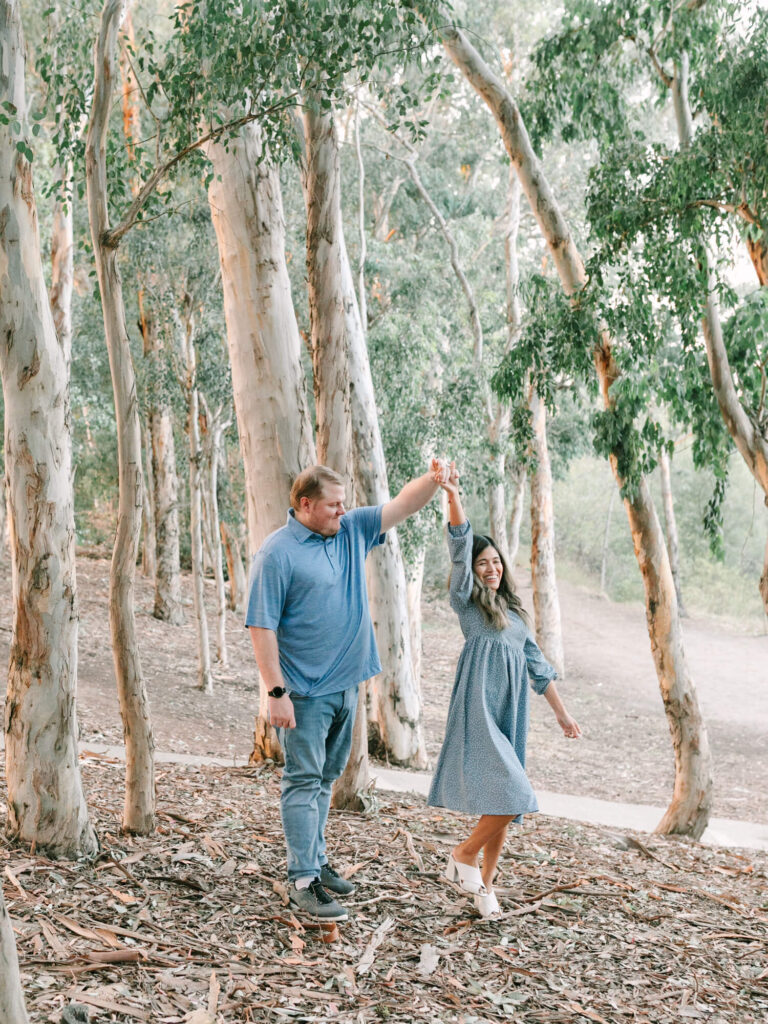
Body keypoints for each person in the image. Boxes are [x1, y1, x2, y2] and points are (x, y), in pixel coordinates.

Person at [246, 460, 450, 921]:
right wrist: (275, 692)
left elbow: (402, 505)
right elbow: (262, 626)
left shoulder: (351, 529)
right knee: (302, 780)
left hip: (346, 687)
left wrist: (434, 481)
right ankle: (301, 880)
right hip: (303, 692)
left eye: (344, 503)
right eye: (334, 505)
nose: (344, 510)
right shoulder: (277, 553)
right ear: (305, 504)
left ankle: (315, 862)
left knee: (324, 781)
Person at [428, 462, 581, 917]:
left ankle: (484, 888)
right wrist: (452, 493)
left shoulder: (516, 617)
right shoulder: (468, 606)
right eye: (482, 563)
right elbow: (458, 545)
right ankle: (462, 855)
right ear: (472, 571)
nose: (490, 568)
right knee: (516, 793)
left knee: (505, 806)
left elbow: (539, 668)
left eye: (495, 561)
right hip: (479, 707)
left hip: (511, 711)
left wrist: (562, 713)